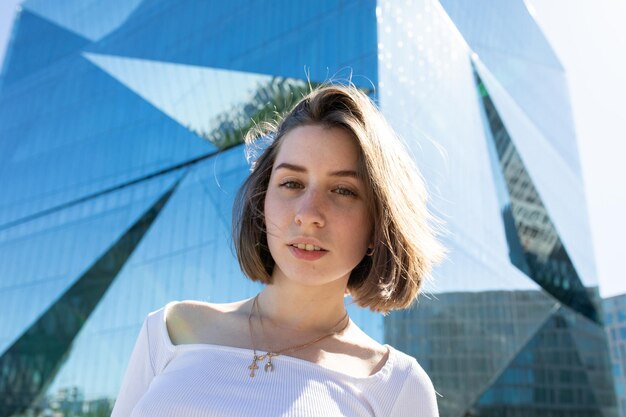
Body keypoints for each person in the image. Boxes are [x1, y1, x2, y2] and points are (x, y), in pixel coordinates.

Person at [110, 83, 445, 417]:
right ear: (262, 203)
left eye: (343, 190)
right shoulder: (170, 329)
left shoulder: (397, 386)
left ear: (378, 223)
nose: (309, 213)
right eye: (292, 183)